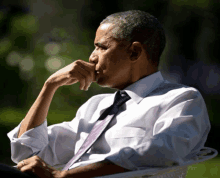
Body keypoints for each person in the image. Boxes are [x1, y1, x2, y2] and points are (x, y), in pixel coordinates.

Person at [7, 10, 210, 178]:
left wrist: (64, 176)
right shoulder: (96, 106)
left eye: (101, 47)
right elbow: (25, 153)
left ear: (134, 52)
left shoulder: (180, 100)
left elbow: (161, 152)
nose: (91, 57)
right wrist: (49, 86)